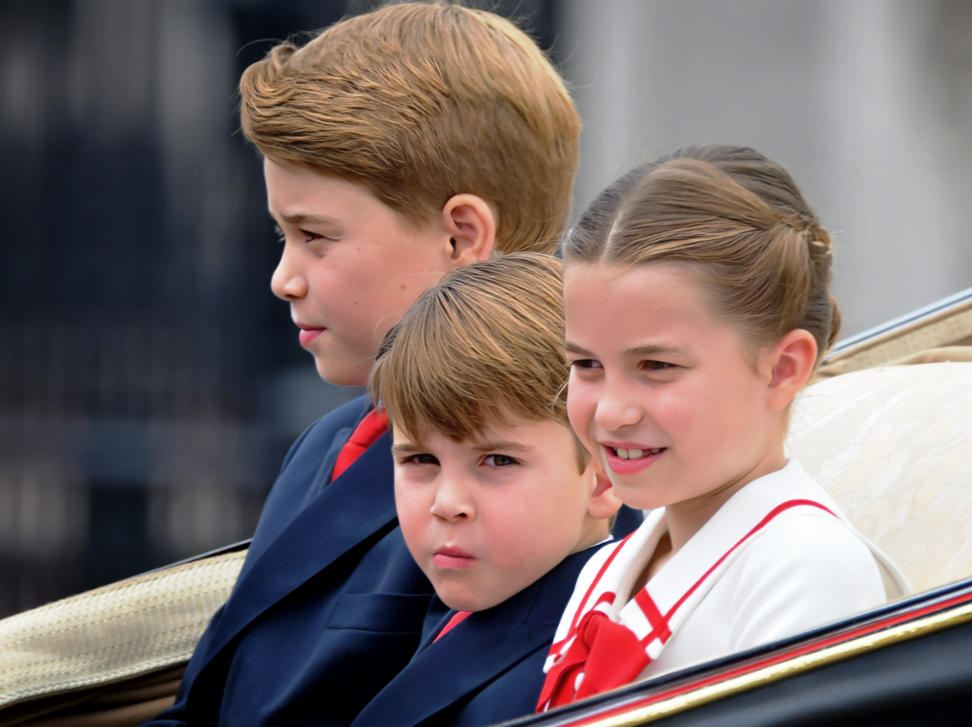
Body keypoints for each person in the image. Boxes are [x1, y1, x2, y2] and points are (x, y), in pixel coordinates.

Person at [144, 5, 590, 725]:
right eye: (281, 234)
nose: (283, 278)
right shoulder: (327, 445)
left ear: (462, 235)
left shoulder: (558, 474)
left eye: (315, 236)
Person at [537, 145, 912, 711]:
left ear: (782, 369)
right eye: (586, 365)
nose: (611, 412)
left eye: (656, 367)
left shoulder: (806, 567)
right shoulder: (607, 568)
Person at [352, 253, 622, 727]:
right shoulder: (479, 594)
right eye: (420, 459)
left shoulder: (571, 676)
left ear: (603, 475)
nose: (447, 503)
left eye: (498, 460)